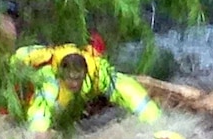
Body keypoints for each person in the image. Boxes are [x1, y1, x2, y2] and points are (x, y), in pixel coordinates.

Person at [14, 42, 161, 133]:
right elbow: (39, 114)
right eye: (69, 79)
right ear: (60, 73)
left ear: (84, 74)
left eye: (77, 79)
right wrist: (38, 138)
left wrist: (155, 121)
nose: (73, 84)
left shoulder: (97, 73)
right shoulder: (49, 80)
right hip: (25, 87)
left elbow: (129, 91)